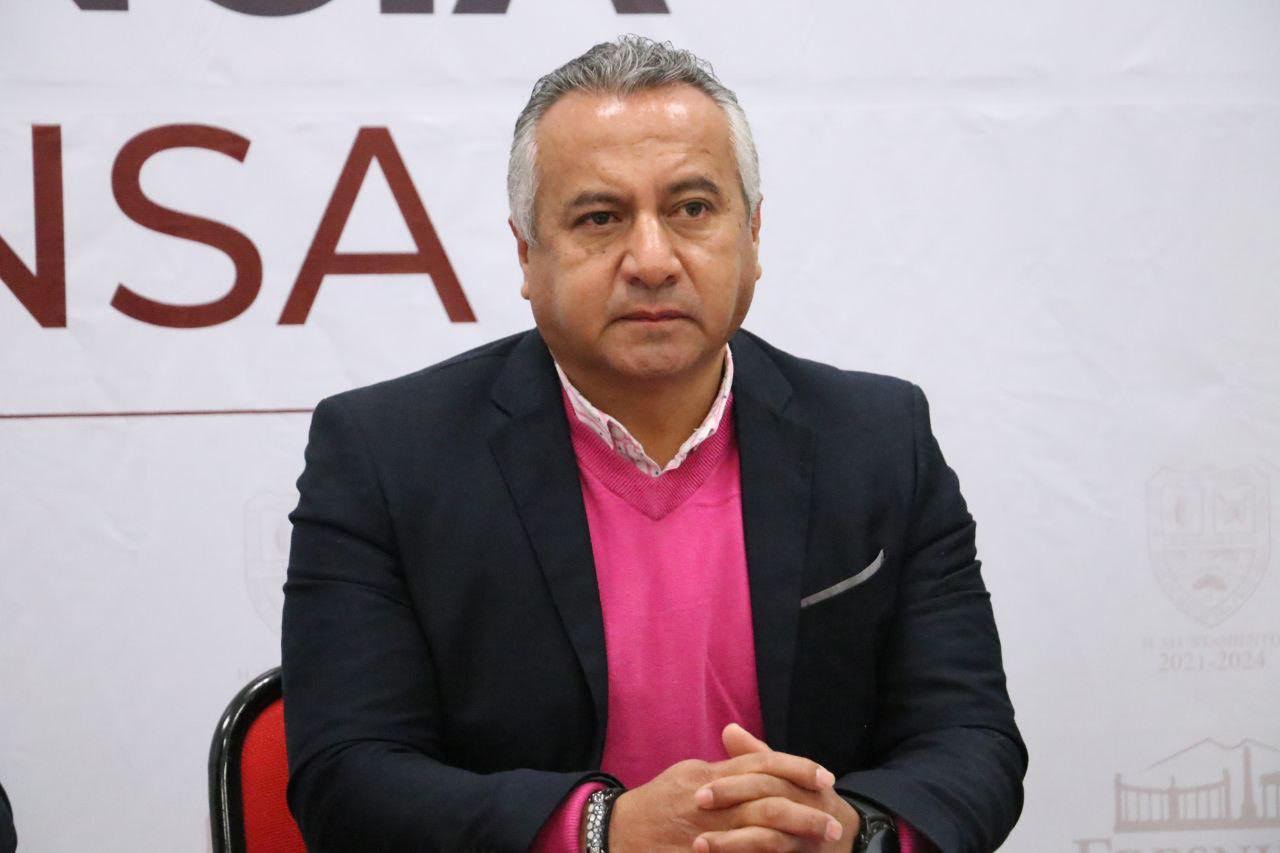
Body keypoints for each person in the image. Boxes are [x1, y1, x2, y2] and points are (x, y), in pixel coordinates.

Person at [282, 36, 1026, 853]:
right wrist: (600, 831)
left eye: (692, 209)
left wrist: (854, 833)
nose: (652, 259)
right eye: (600, 218)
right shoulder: (385, 457)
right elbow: (346, 779)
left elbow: (972, 740)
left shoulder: (879, 439)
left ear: (752, 235)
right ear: (526, 254)